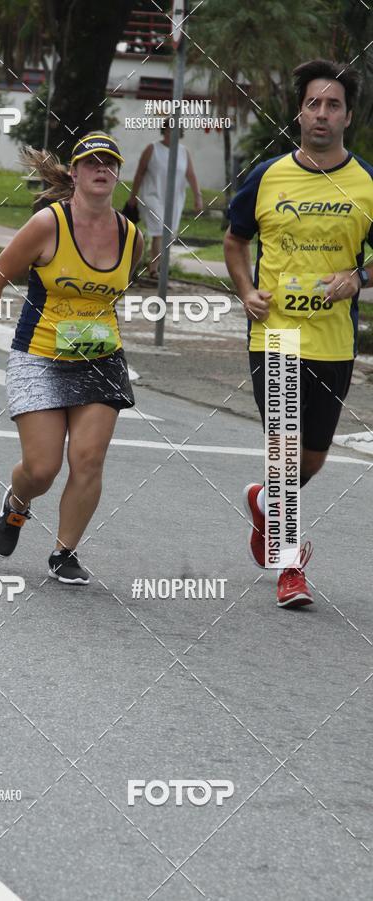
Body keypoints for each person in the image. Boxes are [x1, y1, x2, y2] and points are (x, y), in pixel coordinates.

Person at [0, 133, 144, 584]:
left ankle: (64, 553)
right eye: (92, 163)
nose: (102, 169)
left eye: (110, 163)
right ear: (75, 173)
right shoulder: (49, 224)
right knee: (42, 469)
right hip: (39, 356)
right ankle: (17, 505)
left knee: (89, 458)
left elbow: (117, 294)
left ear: (116, 174)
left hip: (100, 360)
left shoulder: (131, 235)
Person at [224, 58, 373, 609]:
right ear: (299, 113)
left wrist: (358, 277)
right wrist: (245, 290)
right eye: (314, 103)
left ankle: (266, 502)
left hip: (333, 340)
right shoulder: (267, 176)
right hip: (277, 334)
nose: (322, 114)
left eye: (333, 105)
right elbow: (235, 240)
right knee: (286, 454)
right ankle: (291, 568)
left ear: (347, 117)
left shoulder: (366, 183)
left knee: (310, 459)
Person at [128, 123, 203, 283]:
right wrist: (133, 196)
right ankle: (154, 269)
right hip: (152, 195)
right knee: (160, 230)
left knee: (168, 234)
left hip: (174, 200)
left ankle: (158, 267)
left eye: (176, 130)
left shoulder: (184, 152)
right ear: (164, 130)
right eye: (169, 129)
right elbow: (139, 173)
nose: (172, 133)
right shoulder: (152, 149)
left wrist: (198, 196)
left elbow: (191, 175)